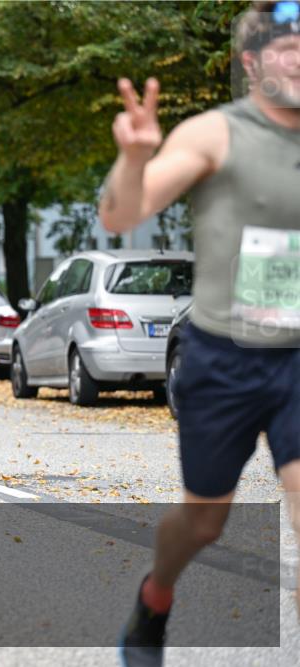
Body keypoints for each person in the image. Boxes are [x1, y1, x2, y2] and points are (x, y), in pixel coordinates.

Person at [98, 3, 300, 664]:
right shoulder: (216, 133)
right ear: (251, 63)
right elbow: (123, 211)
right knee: (203, 521)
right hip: (226, 355)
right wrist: (134, 158)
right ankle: (155, 597)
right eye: (283, 47)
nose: (297, 57)